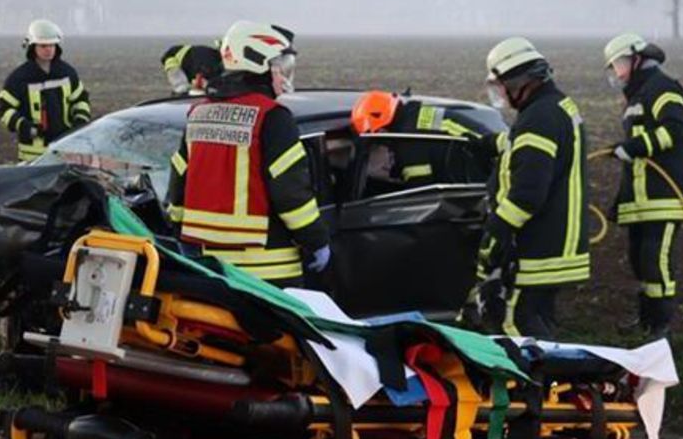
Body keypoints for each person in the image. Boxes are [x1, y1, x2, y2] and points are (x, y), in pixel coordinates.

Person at [165, 21, 331, 288]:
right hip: (269, 268)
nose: (283, 77)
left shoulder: (199, 114)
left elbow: (178, 182)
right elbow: (290, 193)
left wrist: (180, 232)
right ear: (259, 65)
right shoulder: (272, 117)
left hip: (212, 268)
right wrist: (317, 241)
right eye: (280, 68)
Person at [475, 37, 589, 338]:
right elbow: (532, 153)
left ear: (520, 82)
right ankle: (557, 380)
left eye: (502, 86)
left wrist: (497, 230)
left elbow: (527, 193)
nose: (502, 95)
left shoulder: (537, 118)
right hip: (557, 243)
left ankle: (537, 384)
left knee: (516, 325)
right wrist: (496, 143)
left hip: (539, 247)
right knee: (539, 321)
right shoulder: (554, 107)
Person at [603, 33, 683, 337]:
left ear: (637, 59)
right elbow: (637, 158)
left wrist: (634, 146)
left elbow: (674, 130)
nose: (617, 72)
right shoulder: (637, 96)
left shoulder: (663, 87)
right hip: (640, 202)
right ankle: (646, 322)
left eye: (619, 64)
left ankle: (660, 328)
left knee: (656, 265)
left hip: (665, 198)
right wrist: (621, 200)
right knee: (640, 263)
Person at [349, 90, 500, 187]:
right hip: (491, 166)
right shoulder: (417, 113)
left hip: (479, 185)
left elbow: (419, 190)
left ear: (381, 130)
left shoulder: (408, 141)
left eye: (376, 139)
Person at [0, 19, 90, 162]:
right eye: (43, 46)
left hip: (65, 150)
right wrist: (25, 127)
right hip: (32, 156)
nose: (48, 50)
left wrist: (80, 121)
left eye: (52, 45)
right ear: (32, 47)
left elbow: (81, 100)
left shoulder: (67, 73)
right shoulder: (19, 78)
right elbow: (4, 109)